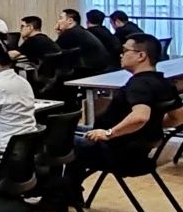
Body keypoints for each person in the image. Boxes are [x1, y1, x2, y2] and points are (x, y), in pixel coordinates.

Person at [69, 34, 179, 185]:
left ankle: (59, 193)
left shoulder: (138, 85)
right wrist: (152, 125)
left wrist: (109, 133)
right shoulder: (164, 83)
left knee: (56, 141)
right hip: (135, 152)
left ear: (141, 56)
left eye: (125, 50)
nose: (121, 55)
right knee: (68, 132)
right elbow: (178, 117)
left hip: (113, 151)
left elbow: (140, 117)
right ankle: (68, 191)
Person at [56, 8, 112, 72]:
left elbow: (54, 50)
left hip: (93, 71)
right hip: (102, 69)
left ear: (70, 21)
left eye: (61, 18)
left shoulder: (71, 33)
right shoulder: (79, 30)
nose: (58, 21)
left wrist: (60, 33)